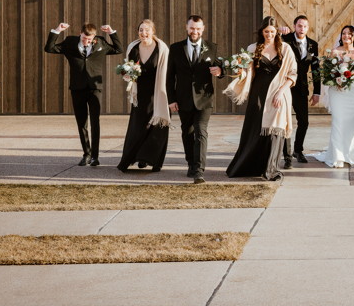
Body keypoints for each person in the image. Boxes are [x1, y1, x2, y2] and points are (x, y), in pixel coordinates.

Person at [223, 16, 298, 181]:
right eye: (266, 32)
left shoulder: (285, 49)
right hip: (258, 94)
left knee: (274, 131)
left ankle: (270, 170)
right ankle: (250, 166)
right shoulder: (253, 48)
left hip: (279, 93)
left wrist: (280, 92)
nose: (269, 35)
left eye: (272, 31)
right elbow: (246, 71)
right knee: (256, 131)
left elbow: (293, 74)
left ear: (277, 31)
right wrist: (238, 70)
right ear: (262, 32)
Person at [44, 22, 122, 167]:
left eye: (90, 39)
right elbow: (49, 48)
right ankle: (86, 154)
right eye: (85, 38)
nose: (87, 42)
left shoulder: (101, 43)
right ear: (80, 33)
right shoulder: (70, 42)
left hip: (95, 89)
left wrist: (112, 32)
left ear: (94, 37)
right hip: (77, 88)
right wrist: (57, 30)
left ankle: (95, 157)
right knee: (82, 124)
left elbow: (119, 49)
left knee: (95, 122)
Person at [166, 15, 222, 184]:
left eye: (198, 28)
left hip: (204, 98)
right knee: (187, 132)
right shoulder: (176, 48)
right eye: (192, 28)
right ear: (186, 27)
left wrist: (220, 71)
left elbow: (220, 66)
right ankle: (190, 163)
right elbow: (169, 77)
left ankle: (199, 169)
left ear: (203, 28)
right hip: (183, 99)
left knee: (201, 131)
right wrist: (171, 99)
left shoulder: (212, 47)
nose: (194, 31)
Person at [117, 20, 172, 172]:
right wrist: (128, 74)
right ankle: (138, 157)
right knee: (138, 126)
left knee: (156, 127)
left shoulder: (162, 48)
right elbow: (127, 69)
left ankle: (152, 160)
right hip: (140, 95)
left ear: (153, 31)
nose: (143, 33)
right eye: (141, 30)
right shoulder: (132, 48)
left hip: (157, 92)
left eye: (146, 30)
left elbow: (167, 72)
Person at [312, 25, 354, 168]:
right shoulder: (334, 52)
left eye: (350, 34)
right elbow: (327, 73)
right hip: (337, 92)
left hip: (353, 93)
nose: (346, 36)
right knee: (338, 121)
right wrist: (336, 80)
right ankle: (337, 156)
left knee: (351, 122)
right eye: (344, 33)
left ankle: (351, 154)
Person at [281, 15, 321, 169]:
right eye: (299, 26)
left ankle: (298, 150)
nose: (302, 29)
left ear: (308, 28)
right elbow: (272, 42)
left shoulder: (313, 45)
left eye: (304, 26)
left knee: (304, 121)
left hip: (302, 88)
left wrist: (316, 92)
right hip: (285, 86)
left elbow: (316, 70)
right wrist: (279, 32)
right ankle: (286, 154)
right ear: (294, 26)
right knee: (285, 122)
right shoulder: (285, 39)